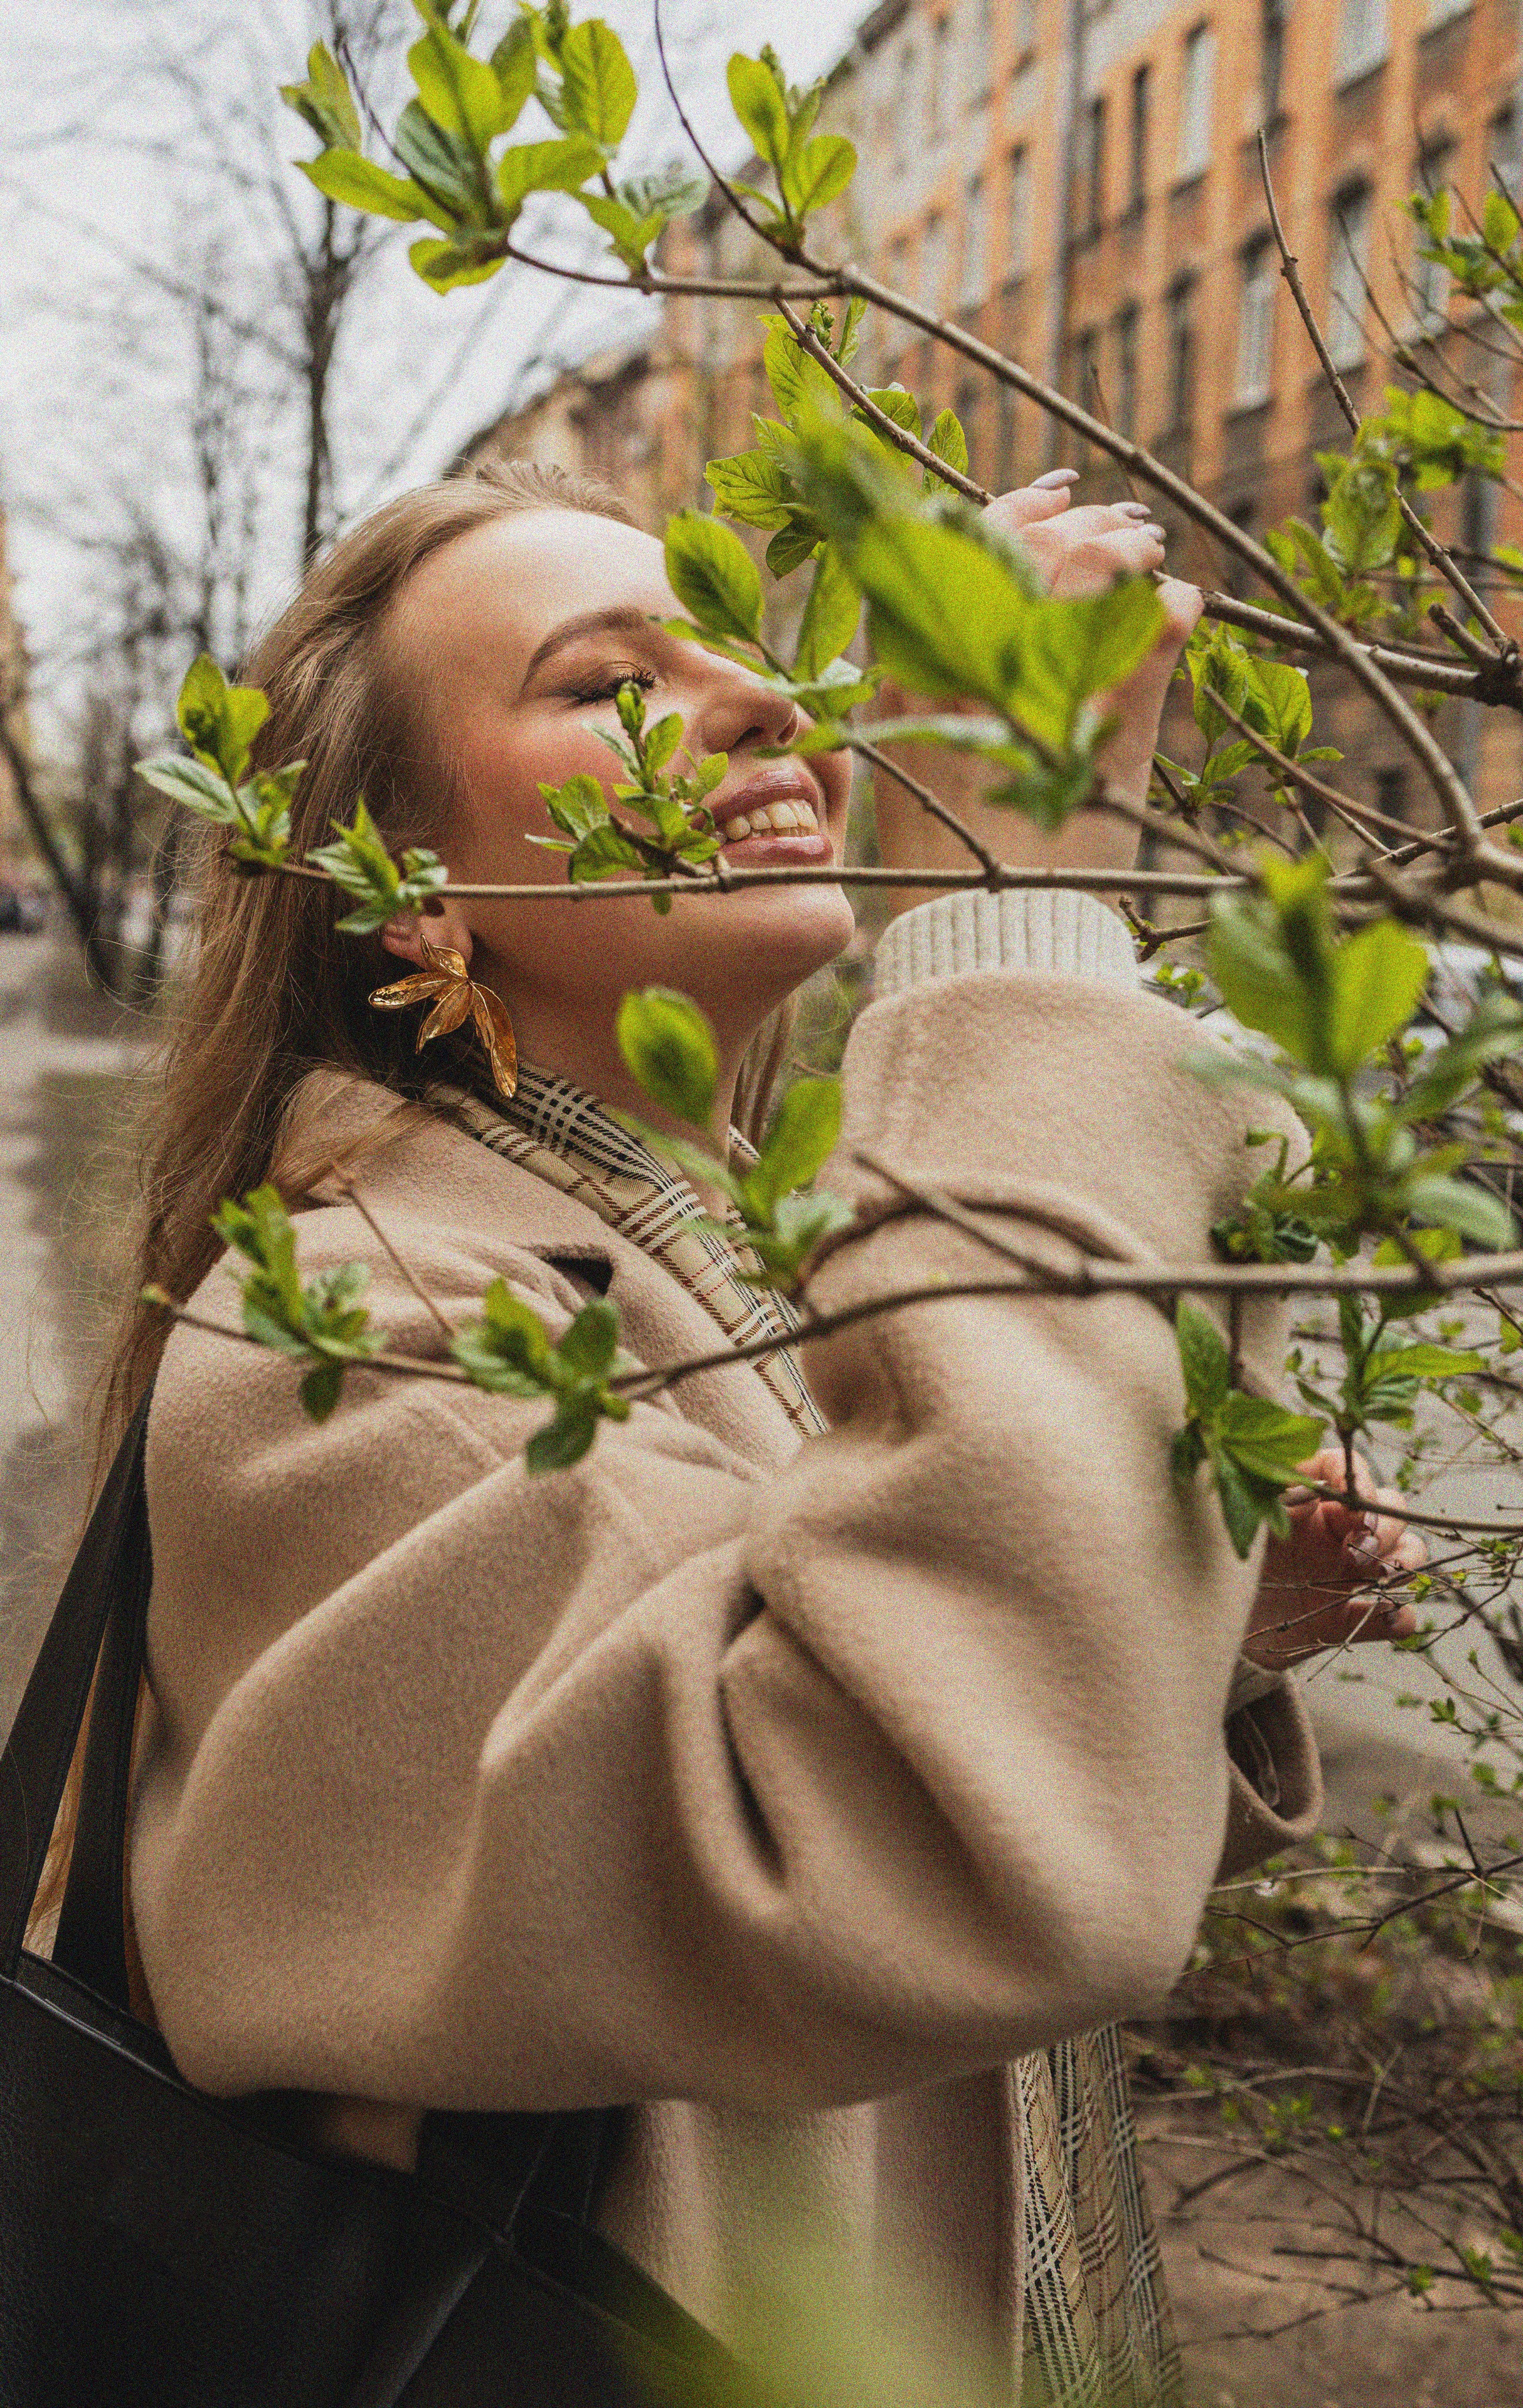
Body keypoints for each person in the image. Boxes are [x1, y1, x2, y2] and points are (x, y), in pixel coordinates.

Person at [40, 457, 1425, 2406]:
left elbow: (845, 1756)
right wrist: (1017, 924)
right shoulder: (377, 1334)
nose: (778, 705)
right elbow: (925, 1841)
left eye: (753, 657)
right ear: (406, 890)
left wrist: (1188, 1624)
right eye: (608, 683)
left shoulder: (740, 1265)